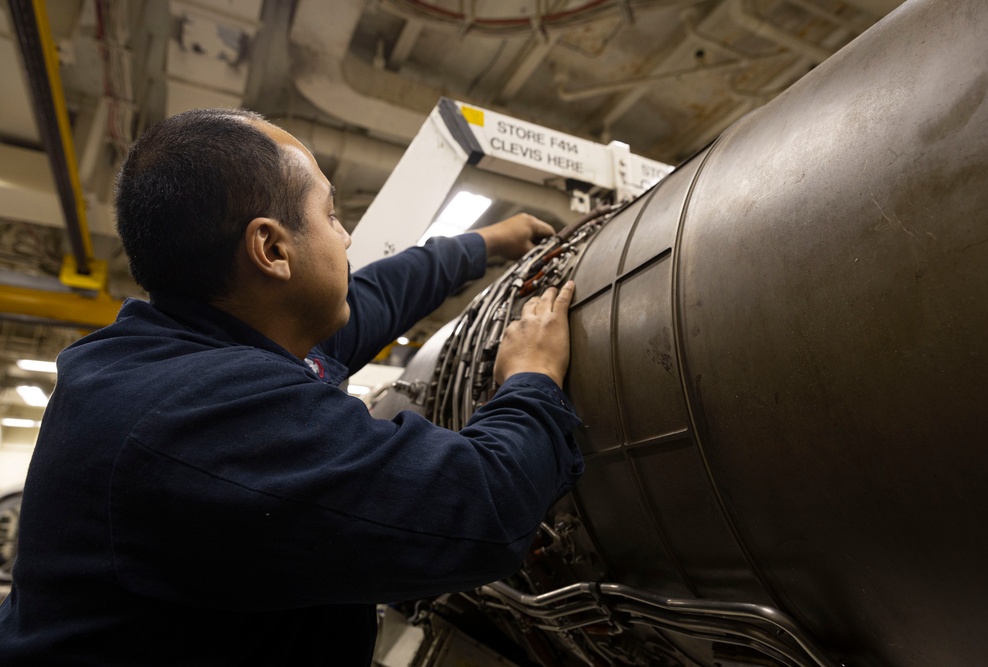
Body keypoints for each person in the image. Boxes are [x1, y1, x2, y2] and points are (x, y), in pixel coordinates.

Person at [0, 108, 583, 665]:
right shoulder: (205, 415)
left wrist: (485, 244)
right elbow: (484, 508)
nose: (347, 237)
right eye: (331, 215)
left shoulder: (187, 349)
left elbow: (376, 296)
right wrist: (530, 378)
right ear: (272, 249)